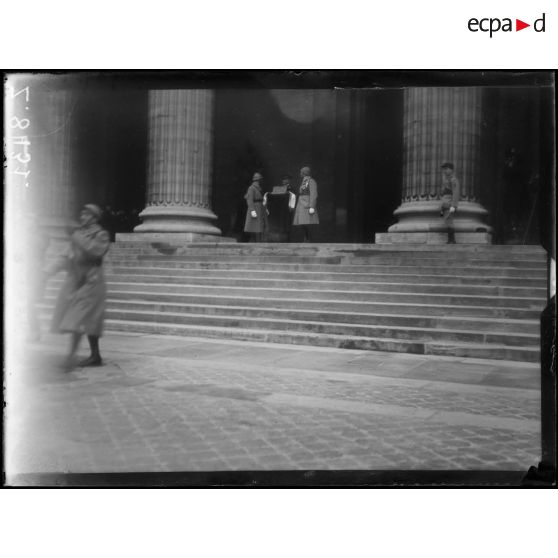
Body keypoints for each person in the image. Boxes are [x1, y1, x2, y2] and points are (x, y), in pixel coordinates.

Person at [49, 204, 111, 370]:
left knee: (77, 318)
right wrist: (47, 271)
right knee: (89, 319)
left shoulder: (101, 234)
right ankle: (95, 355)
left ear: (94, 218)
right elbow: (65, 256)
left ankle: (71, 356)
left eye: (86, 214)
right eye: (82, 213)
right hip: (78, 280)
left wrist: (75, 234)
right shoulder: (79, 235)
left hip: (93, 281)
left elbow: (95, 251)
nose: (82, 217)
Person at [292, 166, 319, 242]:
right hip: (301, 204)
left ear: (304, 173)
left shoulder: (311, 181)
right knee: (302, 223)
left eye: (301, 172)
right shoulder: (304, 181)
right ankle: (305, 237)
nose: (300, 173)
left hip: (307, 205)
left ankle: (308, 238)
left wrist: (312, 206)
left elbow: (314, 194)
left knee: (307, 223)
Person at [439, 162, 460, 244]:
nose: (445, 171)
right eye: (444, 169)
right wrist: (441, 206)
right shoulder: (446, 180)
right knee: (447, 222)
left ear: (451, 170)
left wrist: (454, 206)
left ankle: (452, 240)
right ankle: (450, 239)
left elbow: (455, 193)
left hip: (450, 204)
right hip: (445, 204)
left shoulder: (454, 180)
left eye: (447, 169)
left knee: (449, 222)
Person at [243, 172, 267, 242]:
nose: (261, 181)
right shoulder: (251, 188)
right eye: (260, 179)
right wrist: (252, 210)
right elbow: (249, 200)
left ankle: (258, 241)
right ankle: (254, 241)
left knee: (258, 226)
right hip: (255, 208)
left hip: (259, 208)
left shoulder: (258, 188)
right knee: (254, 226)